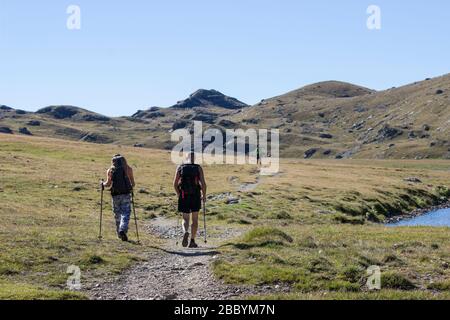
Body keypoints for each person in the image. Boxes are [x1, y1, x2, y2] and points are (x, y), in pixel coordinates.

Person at [173, 152, 207, 248]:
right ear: (194, 158)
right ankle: (192, 241)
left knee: (185, 218)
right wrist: (203, 195)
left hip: (184, 196)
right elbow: (203, 184)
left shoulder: (180, 167)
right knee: (195, 219)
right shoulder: (198, 168)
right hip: (195, 196)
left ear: (186, 157)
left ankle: (185, 231)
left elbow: (174, 184)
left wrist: (179, 194)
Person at [101, 154, 135, 241]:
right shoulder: (128, 169)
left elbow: (108, 184)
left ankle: (119, 234)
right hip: (126, 194)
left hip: (115, 195)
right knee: (126, 213)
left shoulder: (111, 170)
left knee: (117, 214)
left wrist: (102, 183)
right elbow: (133, 184)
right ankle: (122, 229)